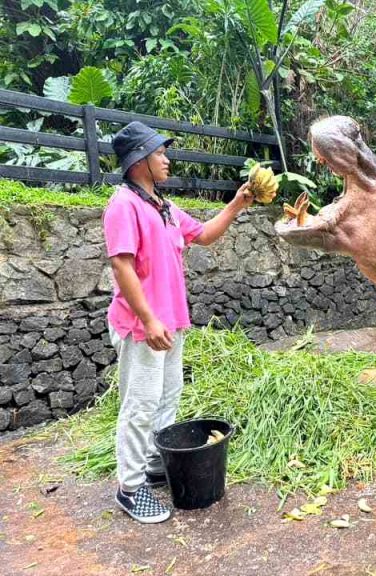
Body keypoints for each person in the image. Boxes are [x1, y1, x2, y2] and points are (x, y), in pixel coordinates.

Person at [103, 121, 254, 523]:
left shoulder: (162, 206)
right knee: (139, 405)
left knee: (167, 397)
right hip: (144, 326)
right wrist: (149, 320)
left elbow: (203, 234)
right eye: (159, 154)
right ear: (139, 161)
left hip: (171, 323)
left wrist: (237, 203)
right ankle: (130, 488)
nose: (167, 159)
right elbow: (121, 264)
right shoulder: (124, 204)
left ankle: (155, 463)